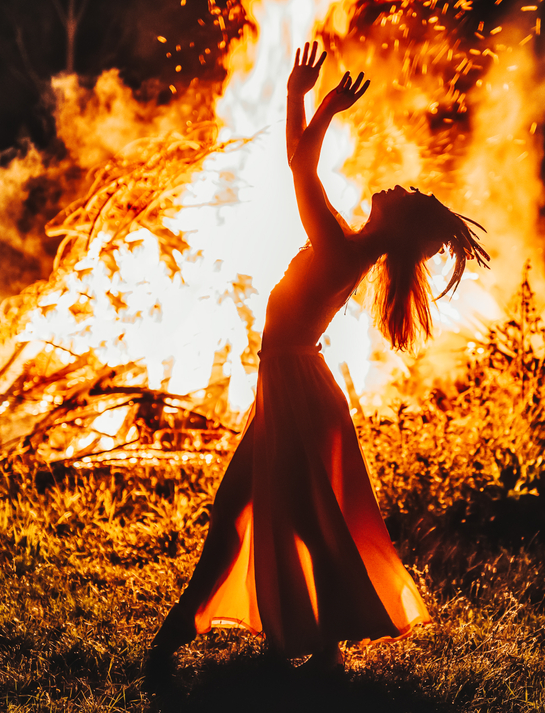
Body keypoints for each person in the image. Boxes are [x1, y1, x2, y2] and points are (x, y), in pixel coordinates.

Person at [143, 42, 489, 691]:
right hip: (295, 387)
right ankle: (299, 641)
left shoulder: (337, 242)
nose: (395, 184)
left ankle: (180, 640)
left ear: (396, 223)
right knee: (268, 514)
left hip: (298, 392)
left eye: (405, 194)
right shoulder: (344, 243)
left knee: (264, 515)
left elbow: (300, 168)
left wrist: (316, 102)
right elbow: (299, 166)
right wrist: (303, 100)